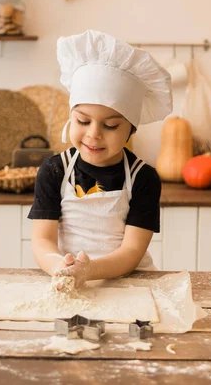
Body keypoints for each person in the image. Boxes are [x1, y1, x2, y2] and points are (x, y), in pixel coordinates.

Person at [29, 29, 172, 290]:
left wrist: (89, 270)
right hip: (66, 281)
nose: (93, 134)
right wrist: (59, 268)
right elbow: (43, 241)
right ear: (71, 117)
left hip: (128, 282)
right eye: (83, 121)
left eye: (111, 126)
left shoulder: (143, 178)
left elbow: (132, 251)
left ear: (131, 130)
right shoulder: (54, 171)